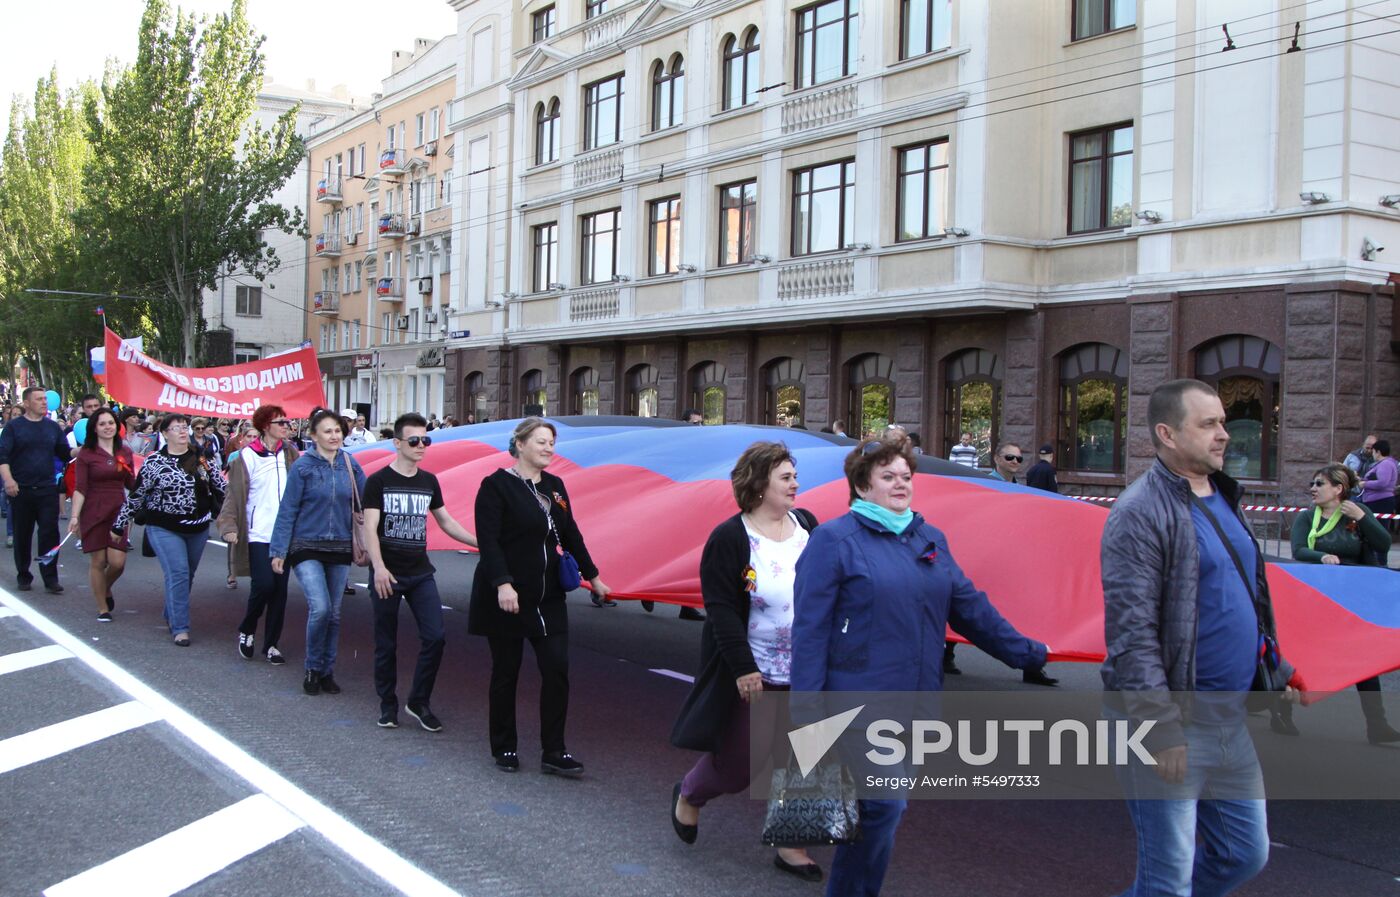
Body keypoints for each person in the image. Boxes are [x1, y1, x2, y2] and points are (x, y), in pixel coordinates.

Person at [791, 431, 1051, 895]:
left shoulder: (929, 538)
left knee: (878, 812)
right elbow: (810, 632)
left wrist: (1029, 654)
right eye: (887, 476)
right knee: (884, 806)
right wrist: (805, 716)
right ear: (862, 486)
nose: (900, 484)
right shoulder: (833, 541)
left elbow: (971, 608)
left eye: (906, 476)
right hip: (854, 704)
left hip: (914, 704)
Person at [1101, 378, 1299, 897]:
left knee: (1244, 855)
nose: (1224, 435)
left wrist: (1276, 666)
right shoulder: (1139, 511)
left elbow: (1245, 597)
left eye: (1223, 422)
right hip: (1169, 724)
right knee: (1168, 882)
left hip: (1228, 720)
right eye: (1208, 424)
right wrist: (1160, 727)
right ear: (1167, 434)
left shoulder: (1223, 496)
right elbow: (1131, 631)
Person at [670, 441, 822, 881]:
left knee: (808, 757)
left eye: (795, 476)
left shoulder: (808, 526)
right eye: (786, 478)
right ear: (758, 485)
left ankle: (793, 845)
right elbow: (720, 609)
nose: (796, 485)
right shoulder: (731, 538)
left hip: (810, 668)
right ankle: (690, 793)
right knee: (740, 765)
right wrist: (743, 668)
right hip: (756, 667)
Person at [467, 417, 611, 775]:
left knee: (557, 670)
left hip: (547, 596)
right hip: (507, 595)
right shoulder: (496, 485)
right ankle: (504, 748)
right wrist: (502, 583)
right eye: (541, 442)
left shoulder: (556, 487)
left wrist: (593, 576)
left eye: (551, 443)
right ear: (519, 444)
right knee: (506, 672)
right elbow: (489, 540)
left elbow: (571, 534)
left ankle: (554, 751)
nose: (549, 448)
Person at [363, 413, 479, 731]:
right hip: (388, 574)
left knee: (436, 637)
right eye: (414, 440)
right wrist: (379, 568)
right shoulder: (378, 481)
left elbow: (446, 522)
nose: (421, 446)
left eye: (425, 440)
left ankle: (418, 701)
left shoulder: (429, 481)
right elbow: (370, 528)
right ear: (397, 443)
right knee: (386, 643)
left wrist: (478, 542)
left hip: (420, 573)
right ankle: (388, 706)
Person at [1273, 463, 1398, 743]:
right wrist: (1321, 557)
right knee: (1298, 654)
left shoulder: (1357, 514)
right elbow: (1298, 550)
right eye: (1312, 484)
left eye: (1319, 484)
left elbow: (1383, 543)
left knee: (1364, 658)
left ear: (1338, 489)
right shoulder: (1307, 517)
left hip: (1351, 599)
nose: (1313, 489)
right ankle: (1281, 712)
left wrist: (1363, 518)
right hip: (1314, 598)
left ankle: (1377, 724)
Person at [270, 408, 366, 696]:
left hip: (339, 545)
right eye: (327, 431)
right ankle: (313, 668)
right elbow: (288, 508)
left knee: (334, 613)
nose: (334, 435)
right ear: (313, 435)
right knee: (321, 607)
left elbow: (367, 501)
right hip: (306, 544)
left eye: (337, 430)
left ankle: (327, 671)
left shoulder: (350, 464)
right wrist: (279, 550)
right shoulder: (303, 466)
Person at [114, 414, 227, 646]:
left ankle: (172, 612)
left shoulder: (200, 457)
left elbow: (220, 485)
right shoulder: (155, 462)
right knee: (178, 573)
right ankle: (180, 627)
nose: (183, 431)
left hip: (197, 527)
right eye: (176, 428)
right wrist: (120, 523)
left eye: (184, 427)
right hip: (165, 527)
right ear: (165, 433)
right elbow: (137, 496)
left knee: (188, 575)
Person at [218, 406, 299, 665]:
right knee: (263, 584)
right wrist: (229, 525)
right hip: (257, 532)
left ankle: (272, 644)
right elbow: (234, 494)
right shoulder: (246, 456)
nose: (286, 426)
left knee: (280, 591)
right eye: (280, 422)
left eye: (287, 422)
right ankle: (248, 627)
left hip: (284, 533)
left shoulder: (290, 453)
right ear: (265, 426)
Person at [0, 386, 72, 593]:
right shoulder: (14, 427)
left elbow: (65, 453)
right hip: (21, 490)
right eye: (39, 399)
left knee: (49, 533)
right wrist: (9, 480)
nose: (44, 402)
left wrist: (87, 447)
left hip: (47, 488)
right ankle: (23, 574)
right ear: (27, 403)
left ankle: (50, 578)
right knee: (23, 534)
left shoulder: (52, 427)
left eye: (45, 399)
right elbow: (3, 456)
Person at [68, 408, 135, 621]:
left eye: (111, 423)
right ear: (94, 428)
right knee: (98, 560)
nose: (107, 427)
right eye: (102, 424)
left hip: (118, 509)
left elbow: (132, 483)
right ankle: (102, 608)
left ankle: (103, 587)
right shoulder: (86, 454)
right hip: (93, 509)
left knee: (117, 562)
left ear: (117, 426)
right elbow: (80, 488)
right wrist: (75, 517)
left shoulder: (124, 452)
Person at [1358, 439, 1396, 565]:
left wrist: (1365, 484)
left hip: (1379, 501)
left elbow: (1383, 482)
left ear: (1378, 452)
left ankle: (1380, 561)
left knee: (1376, 532)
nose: (1372, 454)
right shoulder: (1388, 464)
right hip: (1377, 500)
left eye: (1373, 451)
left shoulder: (1385, 464)